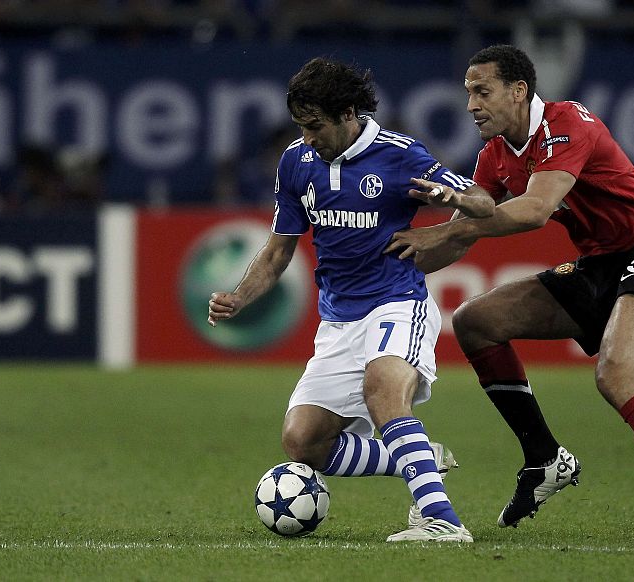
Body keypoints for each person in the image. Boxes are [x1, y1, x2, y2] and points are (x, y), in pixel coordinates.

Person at [385, 44, 634, 544]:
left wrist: (446, 220)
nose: (471, 104)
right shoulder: (495, 156)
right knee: (476, 321)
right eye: (467, 93)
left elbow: (536, 209)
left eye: (482, 91)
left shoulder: (566, 123)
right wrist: (382, 270)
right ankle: (544, 458)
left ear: (518, 91)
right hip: (598, 265)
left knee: (617, 375)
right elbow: (458, 235)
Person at [207, 57, 495, 542]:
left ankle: (441, 520)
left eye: (315, 126)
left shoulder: (401, 155)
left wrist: (451, 200)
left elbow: (485, 205)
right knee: (304, 443)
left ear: (346, 113)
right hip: (338, 319)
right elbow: (279, 252)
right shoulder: (296, 162)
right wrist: (240, 297)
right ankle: (422, 457)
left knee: (383, 390)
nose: (308, 137)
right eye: (301, 127)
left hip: (396, 301)